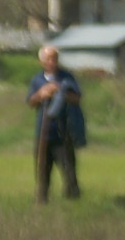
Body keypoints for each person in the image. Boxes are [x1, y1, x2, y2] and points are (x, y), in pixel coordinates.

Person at [27, 44, 85, 204]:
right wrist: (41, 94)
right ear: (43, 61)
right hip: (44, 134)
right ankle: (42, 203)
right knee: (42, 173)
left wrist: (60, 92)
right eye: (49, 58)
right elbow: (31, 102)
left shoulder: (67, 77)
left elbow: (77, 98)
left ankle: (74, 202)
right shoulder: (37, 80)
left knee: (69, 173)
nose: (53, 61)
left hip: (63, 133)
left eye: (55, 58)